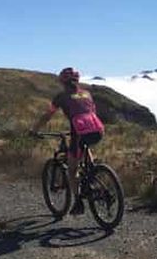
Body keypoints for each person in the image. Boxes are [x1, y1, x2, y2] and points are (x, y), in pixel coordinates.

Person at [31, 67, 105, 215]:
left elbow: (48, 115)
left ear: (62, 81)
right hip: (98, 131)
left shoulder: (61, 97)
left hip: (79, 134)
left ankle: (78, 202)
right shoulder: (87, 93)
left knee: (72, 170)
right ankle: (92, 172)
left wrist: (34, 130)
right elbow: (91, 112)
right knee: (84, 146)